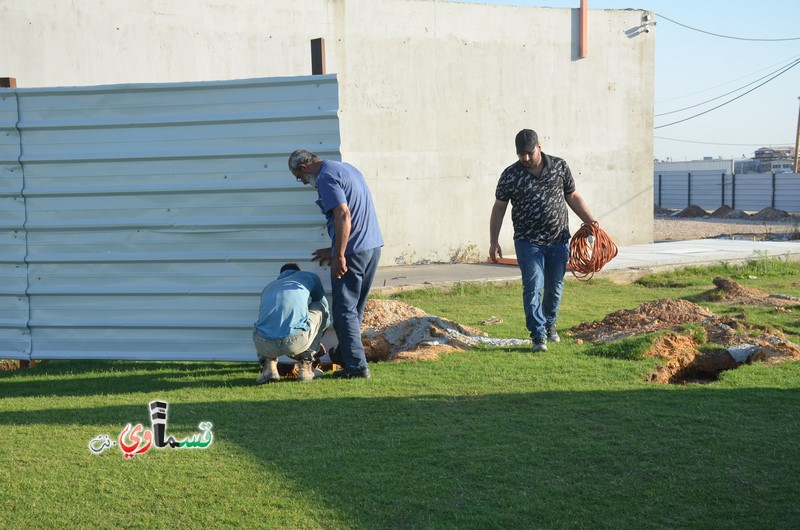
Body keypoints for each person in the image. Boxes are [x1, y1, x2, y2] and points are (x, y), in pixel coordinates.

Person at [489, 129, 597, 352]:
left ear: (539, 146)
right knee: (533, 285)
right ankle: (538, 334)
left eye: (529, 153)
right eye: (521, 155)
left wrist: (591, 222)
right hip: (528, 241)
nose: (526, 158)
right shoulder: (510, 174)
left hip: (558, 240)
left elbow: (573, 196)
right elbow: (499, 208)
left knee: (555, 287)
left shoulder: (559, 166)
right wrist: (494, 241)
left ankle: (550, 323)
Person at [288, 149, 384, 379]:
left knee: (343, 312)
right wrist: (334, 249)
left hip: (352, 253)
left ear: (303, 167)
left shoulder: (325, 178)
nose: (303, 182)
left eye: (299, 178)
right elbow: (358, 214)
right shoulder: (345, 169)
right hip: (371, 248)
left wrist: (338, 255)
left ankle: (356, 368)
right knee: (354, 309)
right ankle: (344, 353)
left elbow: (343, 215)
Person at [252, 263, 329, 383]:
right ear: (298, 271)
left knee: (263, 323)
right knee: (319, 306)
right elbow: (320, 300)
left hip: (264, 344)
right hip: (297, 341)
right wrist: (316, 338)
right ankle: (306, 366)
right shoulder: (309, 277)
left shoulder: (269, 287)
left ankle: (269, 368)